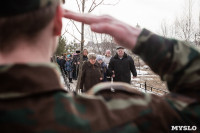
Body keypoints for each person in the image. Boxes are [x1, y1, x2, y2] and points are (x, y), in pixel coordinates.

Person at [0, 0, 199, 132]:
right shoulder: (107, 119)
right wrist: (142, 40)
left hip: (121, 80)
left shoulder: (121, 61)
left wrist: (128, 74)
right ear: (58, 24)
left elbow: (126, 67)